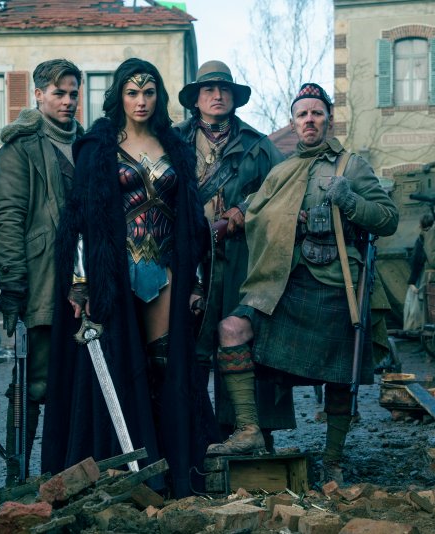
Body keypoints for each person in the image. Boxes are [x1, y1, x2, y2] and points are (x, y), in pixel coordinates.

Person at [203, 83, 398, 483]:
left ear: (329, 119)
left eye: (316, 113)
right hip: (280, 281)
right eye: (302, 114)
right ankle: (249, 430)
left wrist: (350, 201)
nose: (310, 120)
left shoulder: (352, 167)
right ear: (293, 123)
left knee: (340, 372)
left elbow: (388, 219)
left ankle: (333, 459)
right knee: (232, 329)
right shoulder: (280, 171)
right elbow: (256, 215)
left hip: (335, 283)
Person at [42, 58, 217, 497]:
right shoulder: (97, 147)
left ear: (159, 96)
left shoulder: (176, 147)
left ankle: (171, 469)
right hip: (114, 272)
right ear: (119, 96)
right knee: (123, 365)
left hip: (166, 269)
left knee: (166, 365)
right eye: (133, 92)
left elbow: (192, 222)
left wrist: (195, 281)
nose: (141, 101)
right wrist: (80, 282)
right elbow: (80, 219)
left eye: (149, 92)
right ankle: (126, 472)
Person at [174, 60, 287, 455]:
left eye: (224, 89)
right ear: (196, 99)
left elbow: (283, 191)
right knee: (185, 350)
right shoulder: (173, 142)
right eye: (208, 90)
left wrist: (246, 208)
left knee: (243, 341)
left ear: (234, 98)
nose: (217, 96)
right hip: (187, 259)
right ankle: (191, 442)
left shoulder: (258, 145)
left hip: (244, 260)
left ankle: (253, 436)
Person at [0, 59, 83, 474]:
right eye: (59, 93)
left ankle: (69, 471)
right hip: (42, 280)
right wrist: (14, 285)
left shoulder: (90, 145)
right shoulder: (19, 148)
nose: (68, 101)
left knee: (80, 382)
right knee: (35, 381)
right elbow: (7, 220)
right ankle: (18, 474)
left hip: (89, 280)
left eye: (73, 93)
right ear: (39, 95)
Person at [402, 212, 435, 334]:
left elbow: (416, 261)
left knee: (416, 302)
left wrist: (411, 282)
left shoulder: (421, 239)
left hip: (422, 276)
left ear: (421, 225)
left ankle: (415, 328)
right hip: (431, 275)